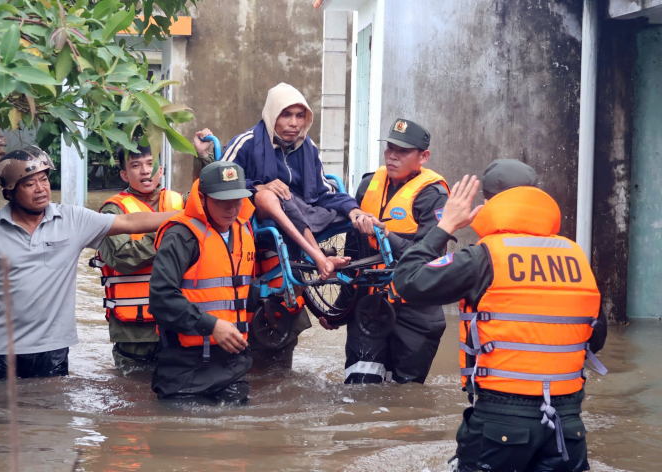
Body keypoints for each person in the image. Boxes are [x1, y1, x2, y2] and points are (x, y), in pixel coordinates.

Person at [391, 160, 608, 472]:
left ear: (488, 204)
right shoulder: (576, 257)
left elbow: (407, 282)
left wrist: (445, 226)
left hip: (501, 424)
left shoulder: (484, 257)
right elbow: (594, 340)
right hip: (567, 426)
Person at [0, 147, 176, 380]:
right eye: (30, 183)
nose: (41, 188)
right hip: (1, 348)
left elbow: (131, 223)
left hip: (53, 347)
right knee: (1, 422)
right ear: (10, 192)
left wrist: (190, 214)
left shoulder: (72, 220)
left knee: (53, 422)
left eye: (43, 179)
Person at [193, 83, 381, 281]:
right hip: (259, 214)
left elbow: (323, 192)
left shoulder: (308, 148)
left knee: (348, 211)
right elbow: (224, 180)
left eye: (300, 115)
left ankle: (346, 269)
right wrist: (258, 186)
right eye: (286, 115)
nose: (294, 123)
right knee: (268, 195)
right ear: (273, 115)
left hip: (304, 209)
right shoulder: (247, 142)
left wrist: (355, 211)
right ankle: (319, 256)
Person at [341, 118, 449, 385]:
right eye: (389, 148)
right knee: (359, 389)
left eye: (402, 151)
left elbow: (430, 255)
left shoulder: (434, 196)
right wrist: (340, 309)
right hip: (370, 305)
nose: (392, 156)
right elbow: (352, 253)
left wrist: (387, 235)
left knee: (405, 398)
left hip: (415, 309)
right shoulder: (368, 186)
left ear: (423, 156)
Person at [149, 161, 255, 403]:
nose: (231, 208)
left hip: (232, 367)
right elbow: (161, 297)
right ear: (203, 199)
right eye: (221, 201)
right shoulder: (181, 236)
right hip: (184, 368)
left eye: (237, 200)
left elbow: (241, 291)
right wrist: (211, 325)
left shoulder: (244, 231)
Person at [91, 144, 184, 368]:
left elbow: (215, 198)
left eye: (151, 164)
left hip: (181, 324)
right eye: (136, 165)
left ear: (160, 170)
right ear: (124, 174)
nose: (145, 171)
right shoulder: (112, 211)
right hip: (135, 334)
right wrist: (171, 231)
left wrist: (205, 155)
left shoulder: (183, 202)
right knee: (133, 396)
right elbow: (123, 257)